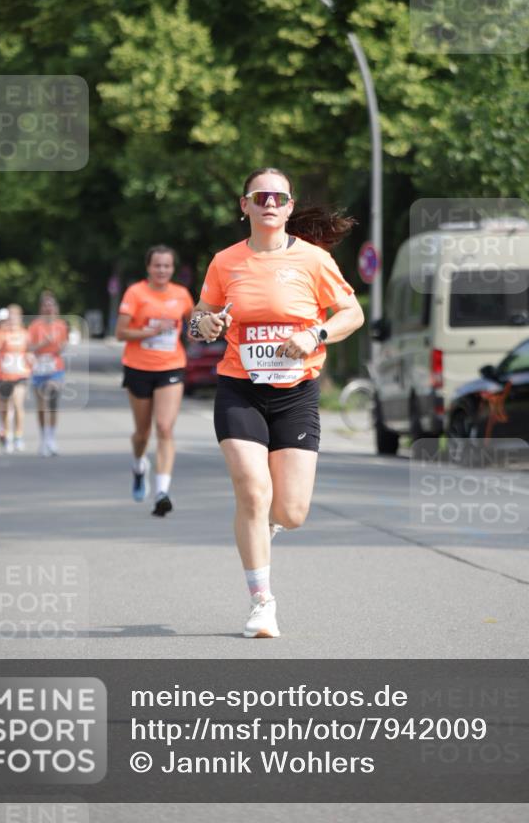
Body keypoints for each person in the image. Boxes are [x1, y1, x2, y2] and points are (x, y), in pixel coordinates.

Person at [189, 167, 364, 638]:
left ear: (289, 207)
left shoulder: (313, 261)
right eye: (260, 196)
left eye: (279, 197)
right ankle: (262, 603)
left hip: (296, 394)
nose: (270, 203)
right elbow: (202, 313)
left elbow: (353, 312)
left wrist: (316, 333)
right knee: (252, 490)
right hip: (239, 387)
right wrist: (202, 326)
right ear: (244, 205)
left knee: (290, 512)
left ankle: (265, 530)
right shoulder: (225, 261)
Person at [115, 246, 195, 514]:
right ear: (148, 267)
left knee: (164, 428)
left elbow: (194, 326)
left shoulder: (181, 295)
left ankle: (162, 490)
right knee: (142, 433)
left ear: (173, 269)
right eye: (157, 266)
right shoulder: (136, 293)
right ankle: (139, 466)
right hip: (138, 367)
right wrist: (149, 331)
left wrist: (202, 330)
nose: (162, 271)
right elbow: (120, 333)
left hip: (171, 366)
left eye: (167, 266)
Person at [0, 304, 32, 453]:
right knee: (4, 409)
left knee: (17, 405)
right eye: (10, 316)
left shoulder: (25, 333)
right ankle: (7, 435)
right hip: (1, 375)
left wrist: (32, 356)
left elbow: (32, 350)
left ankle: (19, 436)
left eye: (15, 316)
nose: (12, 319)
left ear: (20, 318)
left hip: (20, 375)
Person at [28, 291, 69, 457]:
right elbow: (29, 347)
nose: (49, 308)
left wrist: (60, 346)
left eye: (51, 306)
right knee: (41, 405)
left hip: (55, 367)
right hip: (39, 368)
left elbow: (63, 346)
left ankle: (52, 438)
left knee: (52, 402)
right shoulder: (34, 326)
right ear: (41, 308)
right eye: (46, 306)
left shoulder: (61, 325)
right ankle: (43, 439)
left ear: (56, 308)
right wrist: (44, 342)